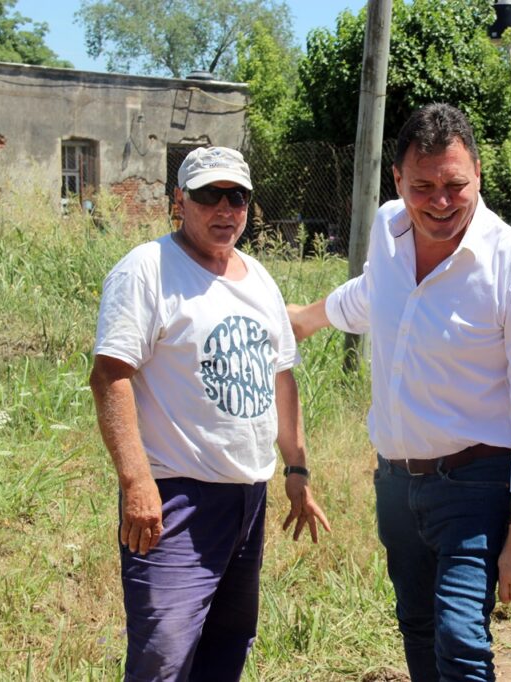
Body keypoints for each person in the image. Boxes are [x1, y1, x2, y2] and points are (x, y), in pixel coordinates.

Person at [288, 103, 511, 682]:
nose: (440, 201)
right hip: (395, 482)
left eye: (455, 185)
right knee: (416, 625)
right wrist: (307, 318)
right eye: (424, 186)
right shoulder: (388, 230)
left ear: (479, 176)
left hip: (476, 483)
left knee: (458, 635)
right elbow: (372, 294)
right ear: (398, 181)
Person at [89, 146, 330, 681]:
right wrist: (136, 482)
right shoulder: (147, 270)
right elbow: (110, 375)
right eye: (207, 196)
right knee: (164, 655)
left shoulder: (260, 280)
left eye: (236, 197)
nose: (224, 209)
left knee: (227, 645)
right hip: (175, 498)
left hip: (248, 498)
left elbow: (280, 377)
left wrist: (296, 469)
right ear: (180, 200)